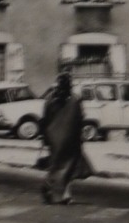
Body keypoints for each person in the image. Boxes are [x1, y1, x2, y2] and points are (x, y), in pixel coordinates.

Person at [39, 73, 93, 205]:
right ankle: (66, 194)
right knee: (70, 168)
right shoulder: (75, 100)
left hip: (54, 139)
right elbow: (80, 120)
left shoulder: (50, 100)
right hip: (71, 139)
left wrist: (44, 137)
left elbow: (44, 120)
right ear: (70, 85)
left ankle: (49, 186)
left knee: (55, 166)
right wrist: (81, 137)